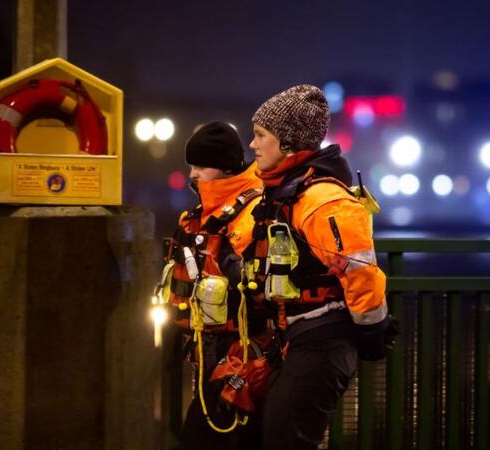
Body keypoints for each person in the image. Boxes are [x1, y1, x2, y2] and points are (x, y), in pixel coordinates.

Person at [240, 85, 398, 450]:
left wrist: (372, 333)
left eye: (261, 135)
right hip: (298, 341)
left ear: (289, 145)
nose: (253, 145)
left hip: (322, 343)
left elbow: (360, 273)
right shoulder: (287, 192)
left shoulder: (322, 200)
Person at [160, 121, 265, 450]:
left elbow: (261, 288)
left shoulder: (250, 214)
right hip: (208, 349)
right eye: (191, 165)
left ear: (226, 167)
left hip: (240, 354)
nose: (193, 174)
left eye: (201, 166)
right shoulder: (200, 216)